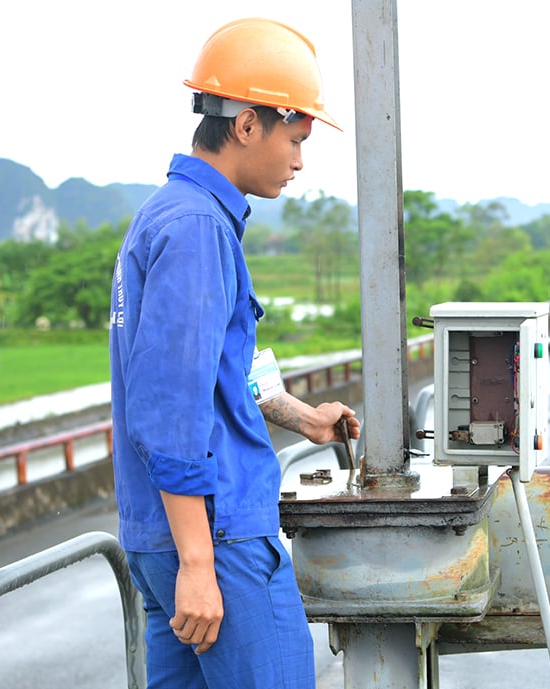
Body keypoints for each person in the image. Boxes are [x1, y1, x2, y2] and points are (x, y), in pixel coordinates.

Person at [108, 18, 360, 689]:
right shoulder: (196, 230)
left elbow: (218, 364)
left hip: (165, 537)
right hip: (217, 541)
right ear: (248, 124)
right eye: (296, 138)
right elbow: (169, 406)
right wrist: (198, 560)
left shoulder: (174, 214)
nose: (301, 160)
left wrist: (302, 418)